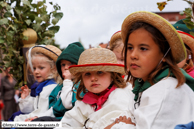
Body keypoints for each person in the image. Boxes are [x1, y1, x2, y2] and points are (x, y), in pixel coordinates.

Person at [107, 11, 194, 129]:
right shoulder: (143, 85)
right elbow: (127, 115)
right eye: (130, 47)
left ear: (164, 55)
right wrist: (120, 124)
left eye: (143, 48)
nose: (133, 55)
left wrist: (118, 125)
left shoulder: (164, 91)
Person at [55, 48, 133, 129]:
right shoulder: (84, 102)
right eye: (87, 74)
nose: (93, 78)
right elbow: (67, 123)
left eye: (100, 72)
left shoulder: (121, 96)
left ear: (112, 75)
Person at [29, 42, 85, 122]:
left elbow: (68, 104)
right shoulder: (59, 87)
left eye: (71, 64)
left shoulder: (81, 85)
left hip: (72, 123)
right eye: (63, 65)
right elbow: (53, 110)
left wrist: (67, 80)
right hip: (58, 120)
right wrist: (38, 117)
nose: (66, 67)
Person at [14, 45, 62, 121]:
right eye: (34, 68)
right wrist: (25, 99)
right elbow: (32, 109)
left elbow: (46, 112)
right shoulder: (41, 87)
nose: (36, 71)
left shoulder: (50, 88)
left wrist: (32, 118)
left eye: (41, 68)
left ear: (54, 69)